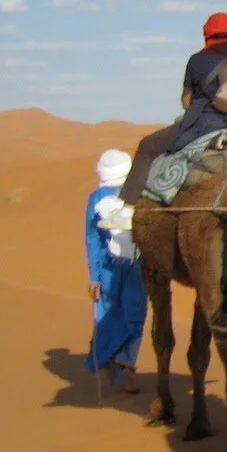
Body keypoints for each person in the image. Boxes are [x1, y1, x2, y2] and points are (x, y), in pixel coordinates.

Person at [101, 12, 227, 229]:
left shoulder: (198, 60)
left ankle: (127, 210)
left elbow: (187, 101)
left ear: (208, 35)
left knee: (148, 147)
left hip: (205, 125)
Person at [85, 148, 147, 393]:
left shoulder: (97, 197)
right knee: (132, 315)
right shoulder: (139, 193)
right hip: (134, 266)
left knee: (110, 316)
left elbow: (93, 240)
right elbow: (94, 238)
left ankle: (120, 361)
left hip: (118, 266)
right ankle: (123, 362)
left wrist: (95, 277)